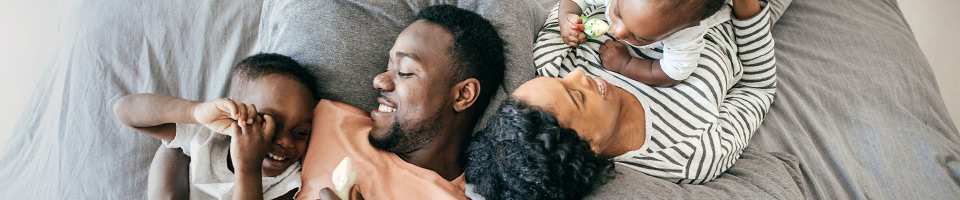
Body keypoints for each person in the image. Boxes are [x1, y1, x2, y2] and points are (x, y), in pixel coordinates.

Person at [468, 0, 777, 198]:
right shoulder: (686, 154)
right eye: (577, 96)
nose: (577, 73)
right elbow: (758, 87)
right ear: (590, 146)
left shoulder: (554, 60)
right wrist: (747, 9)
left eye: (559, 79)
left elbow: (570, 7)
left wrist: (569, 19)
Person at [298, 5, 506, 200]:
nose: (379, 80)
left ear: (463, 95)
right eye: (388, 65)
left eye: (405, 72)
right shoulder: (325, 121)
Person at [114, 53, 319, 200]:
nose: (285, 142)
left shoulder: (289, 184)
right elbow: (124, 111)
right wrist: (194, 112)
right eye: (266, 122)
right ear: (235, 112)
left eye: (300, 132)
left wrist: (248, 169)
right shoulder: (206, 136)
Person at [557, 0, 755, 87]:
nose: (617, 32)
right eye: (617, 13)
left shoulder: (687, 31)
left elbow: (673, 72)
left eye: (640, 37)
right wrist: (567, 16)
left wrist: (625, 64)